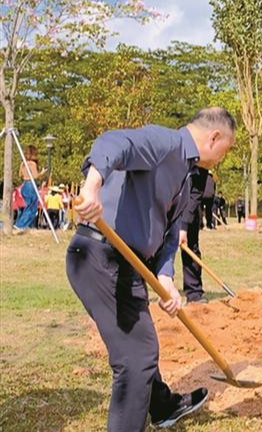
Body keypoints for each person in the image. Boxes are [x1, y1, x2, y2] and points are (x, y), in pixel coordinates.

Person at [67, 107, 237, 430]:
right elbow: (113, 143)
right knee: (136, 357)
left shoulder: (188, 178)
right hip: (100, 255)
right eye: (225, 150)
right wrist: (92, 187)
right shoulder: (166, 143)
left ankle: (161, 405)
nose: (222, 158)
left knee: (141, 344)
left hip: (128, 267)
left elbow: (170, 237)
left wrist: (166, 278)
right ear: (214, 137)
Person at [180, 169, 209, 304]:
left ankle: (194, 293)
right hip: (165, 200)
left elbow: (196, 193)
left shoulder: (203, 159)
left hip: (189, 204)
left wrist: (184, 225)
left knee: (191, 247)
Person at [14, 145, 47, 230]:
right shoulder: (33, 164)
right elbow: (35, 176)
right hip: (31, 185)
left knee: (27, 206)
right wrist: (42, 173)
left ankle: (23, 224)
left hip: (24, 185)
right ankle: (20, 225)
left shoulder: (23, 163)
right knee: (32, 208)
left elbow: (20, 175)